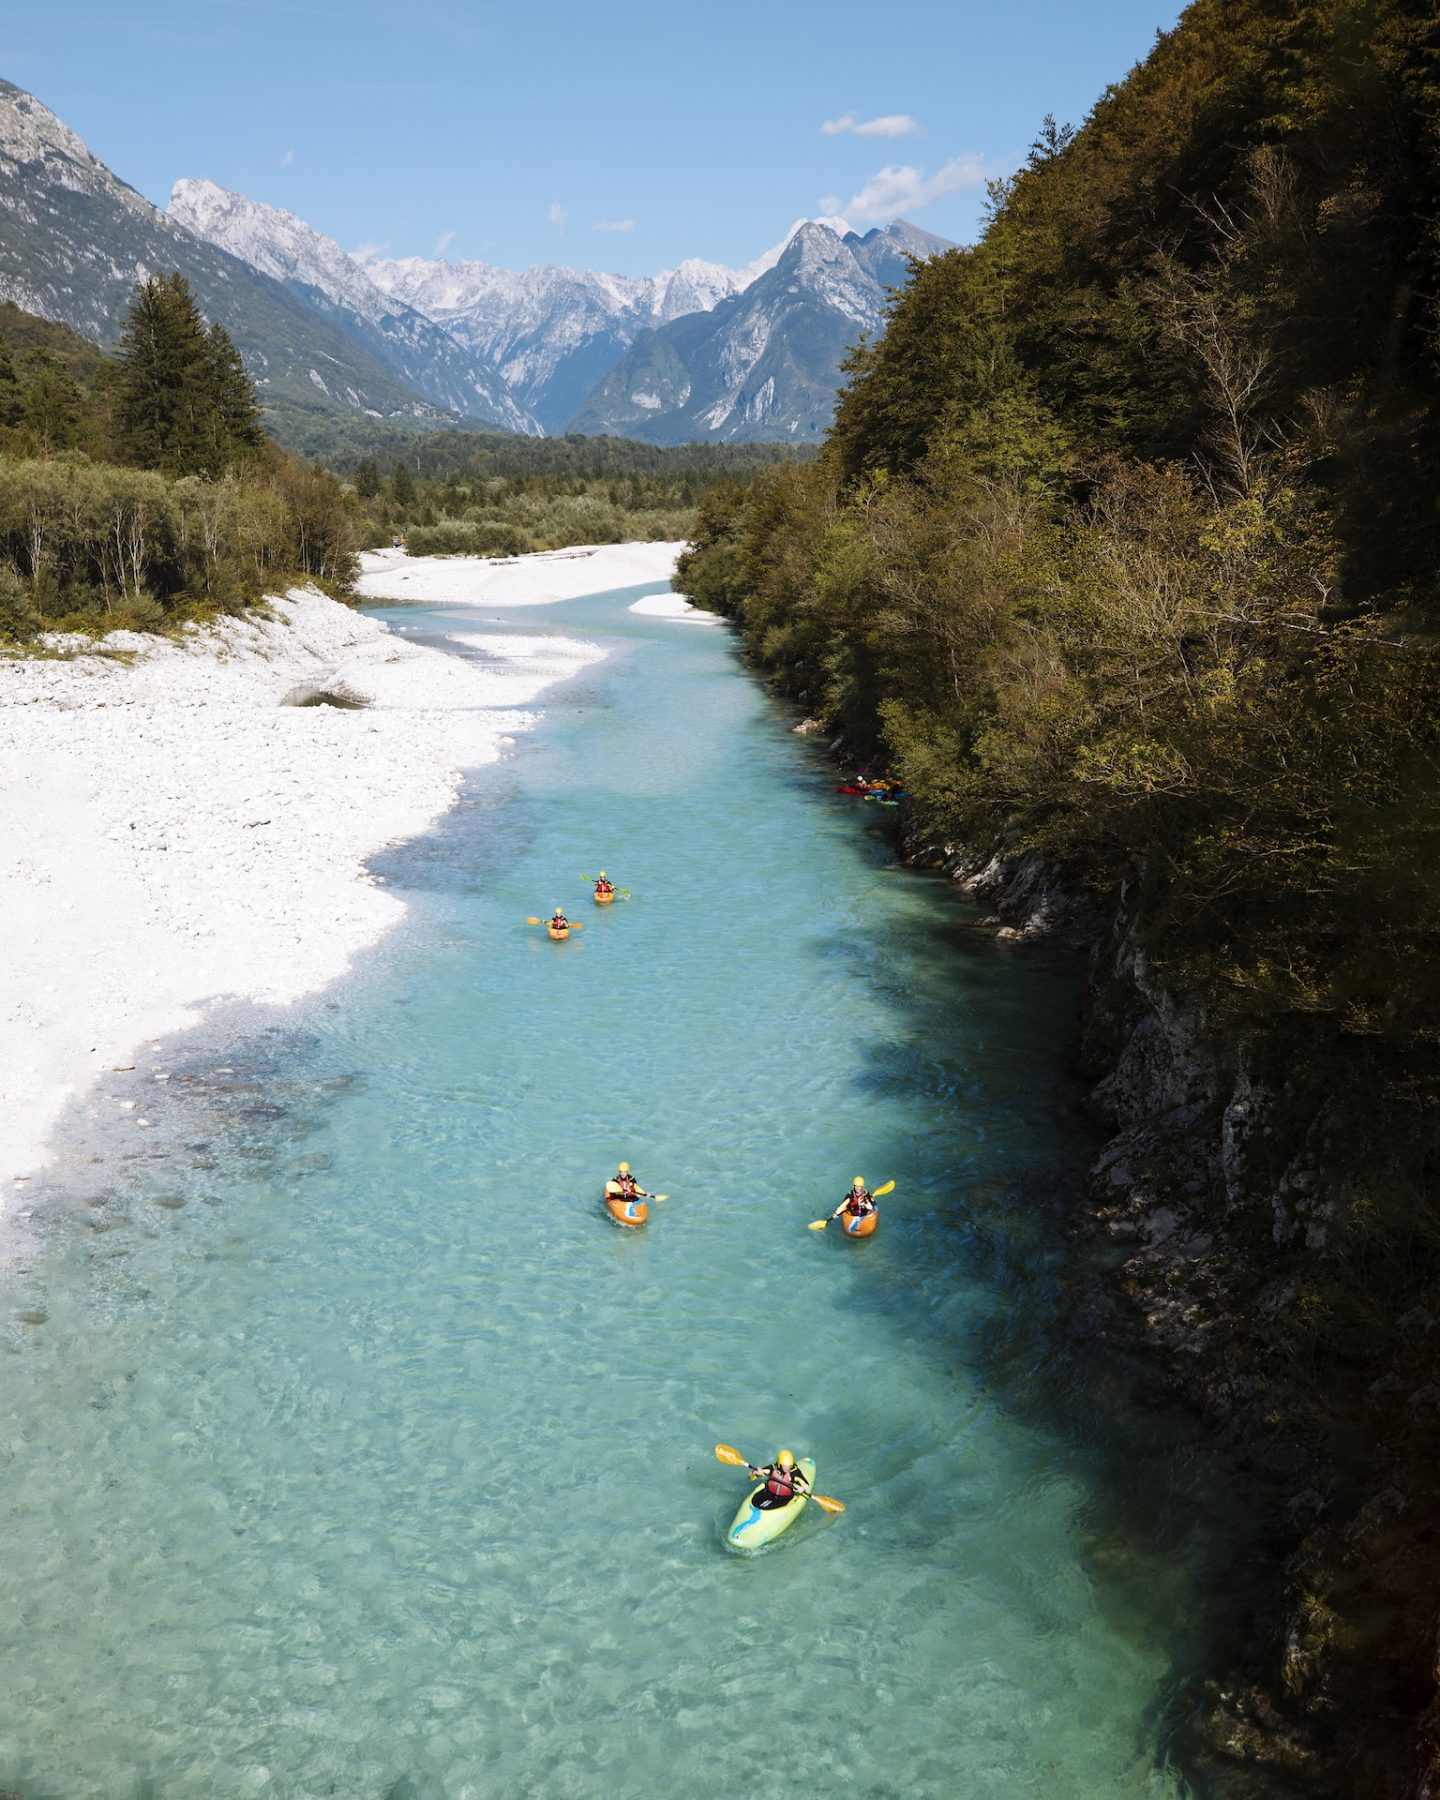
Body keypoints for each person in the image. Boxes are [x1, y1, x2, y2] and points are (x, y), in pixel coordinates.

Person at [747, 1449, 811, 1505]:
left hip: (784, 1498)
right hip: (768, 1493)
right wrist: (755, 1473)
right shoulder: (773, 1467)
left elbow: (806, 1484)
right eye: (785, 1466)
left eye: (789, 1465)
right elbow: (750, 1478)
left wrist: (803, 1488)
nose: (787, 1468)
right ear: (779, 1464)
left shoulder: (795, 1471)